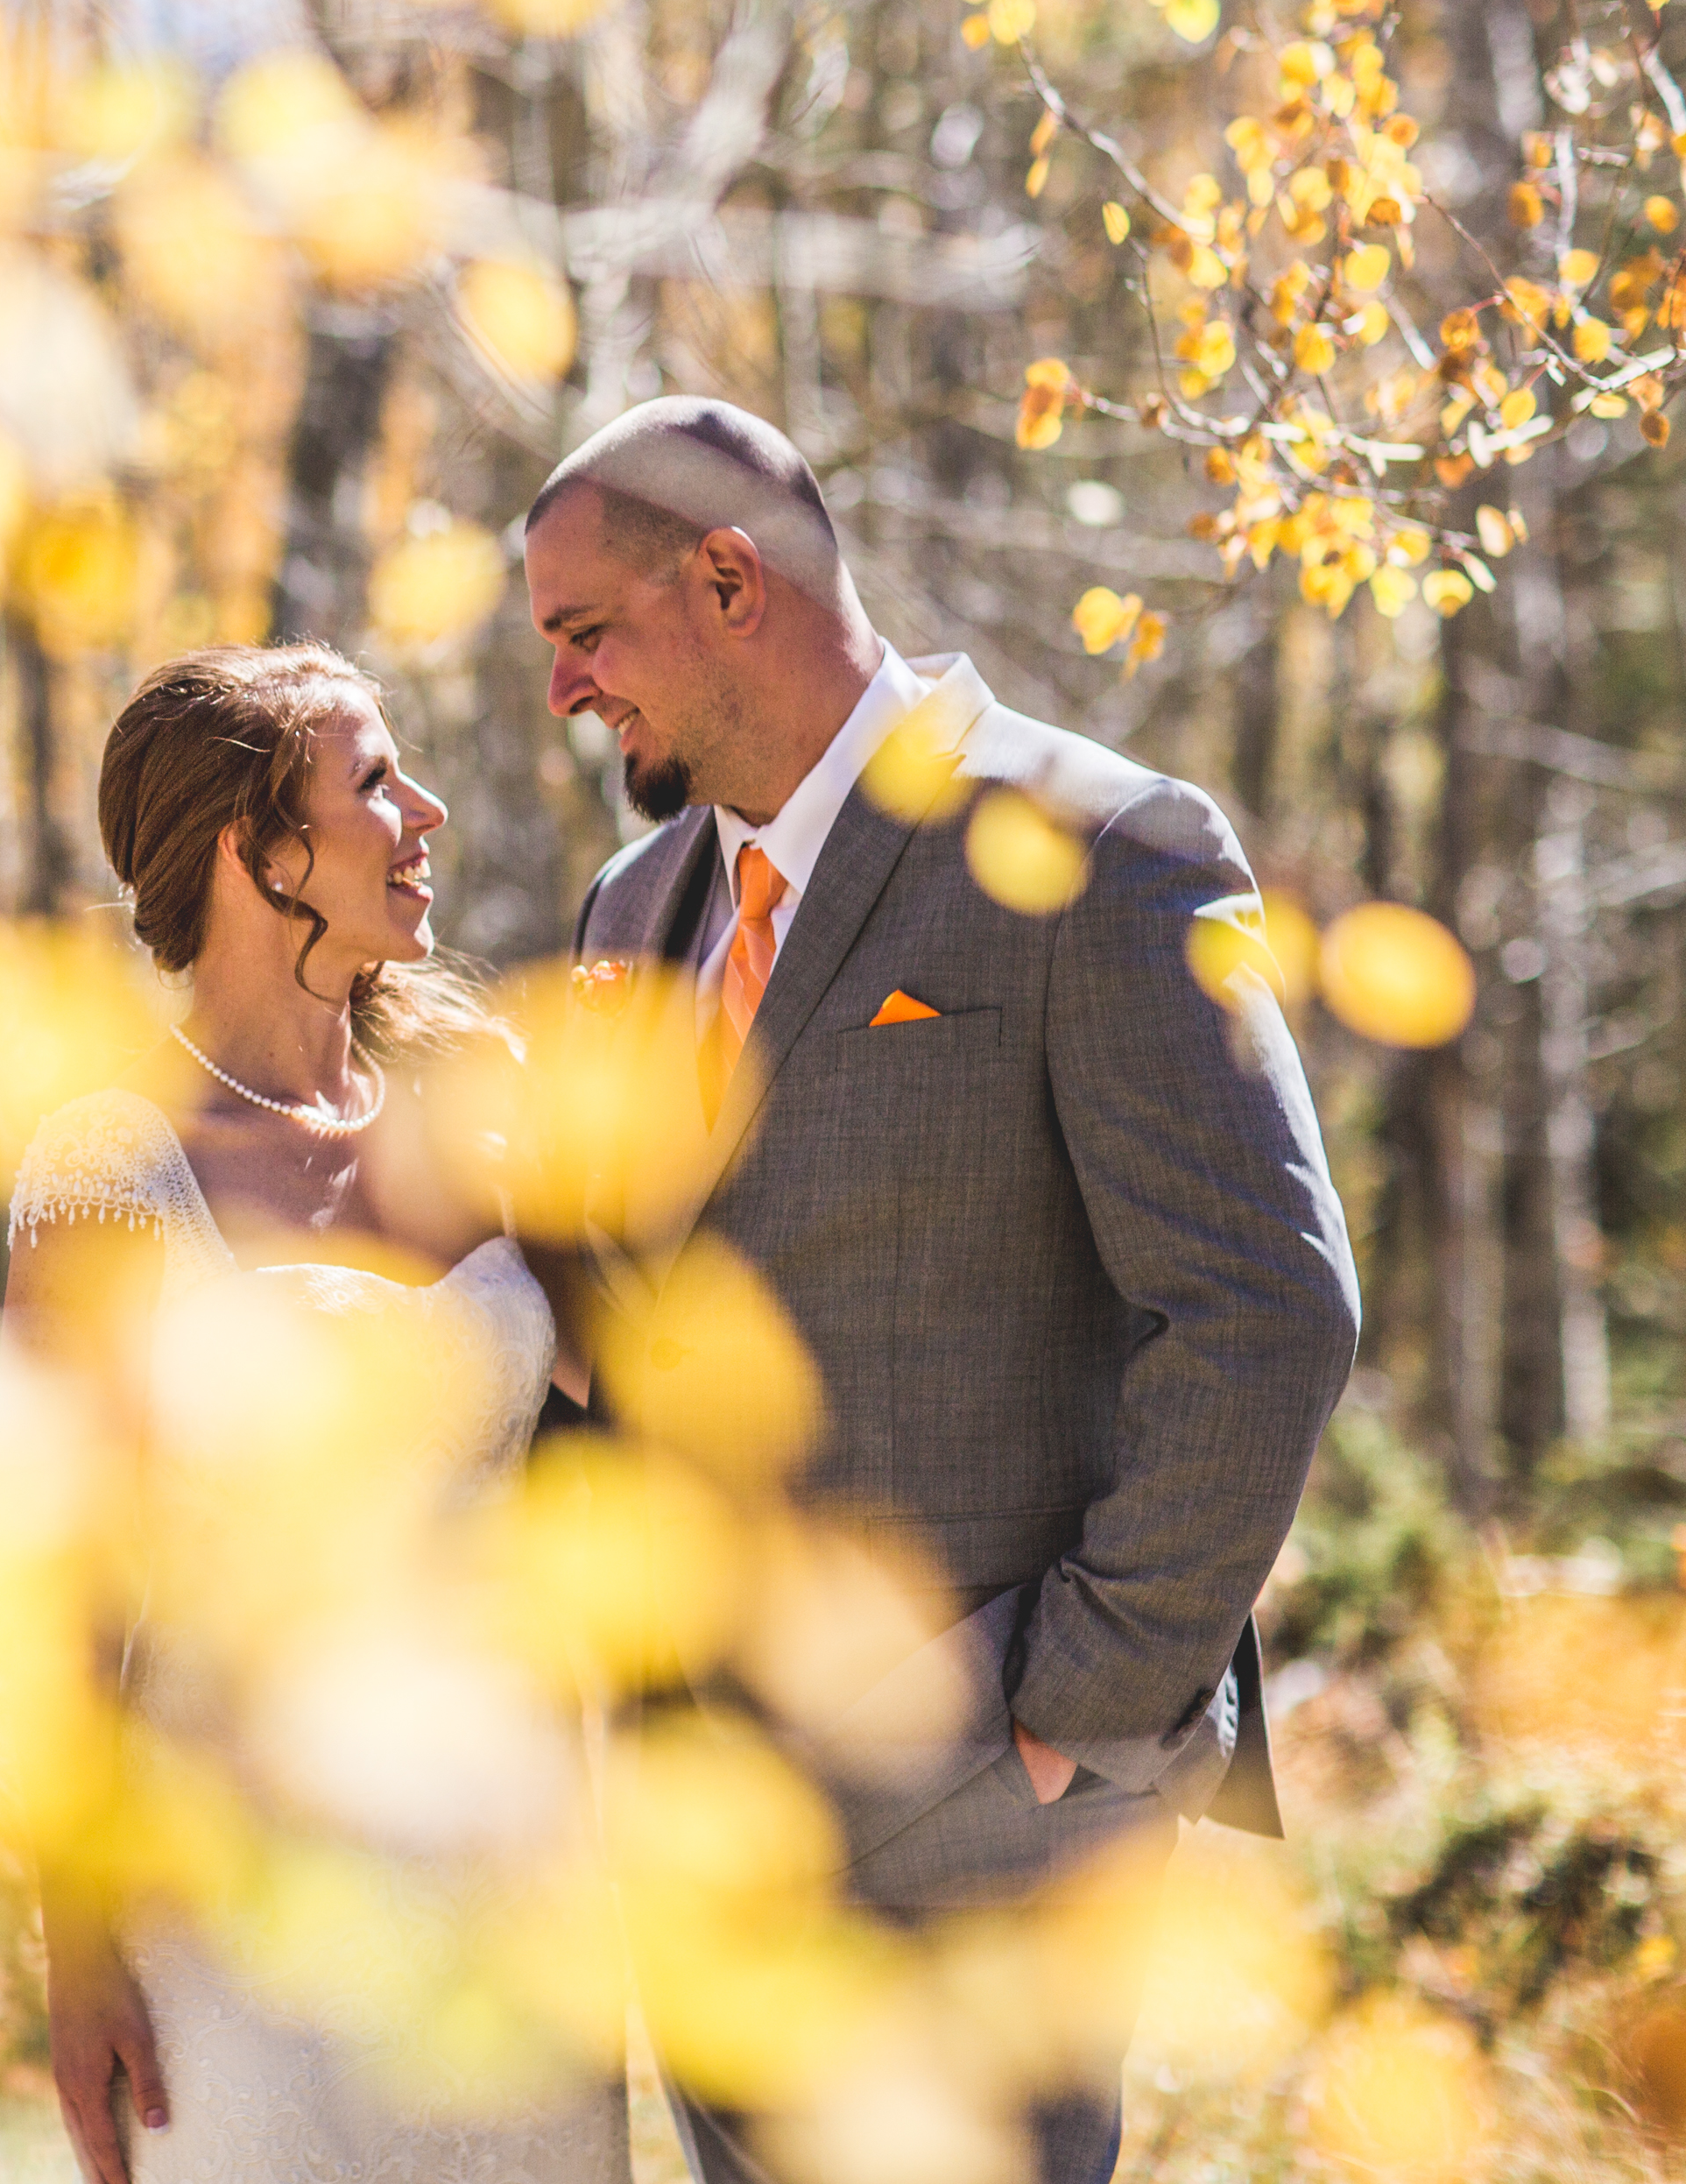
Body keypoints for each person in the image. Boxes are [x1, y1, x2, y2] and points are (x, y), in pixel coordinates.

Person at [526, 396, 1359, 2183]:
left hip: (988, 1828)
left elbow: (1263, 1309)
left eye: (583, 634)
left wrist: (1072, 1706)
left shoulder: (1100, 852)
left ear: (727, 580)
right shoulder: (625, 910)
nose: (561, 691)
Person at [12, 642, 625, 2184]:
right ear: (255, 848)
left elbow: (644, 1385)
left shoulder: (465, 1106)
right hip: (242, 1896)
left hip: (512, 1867)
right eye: (372, 783)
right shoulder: (111, 1166)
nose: (422, 812)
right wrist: (74, 1950)